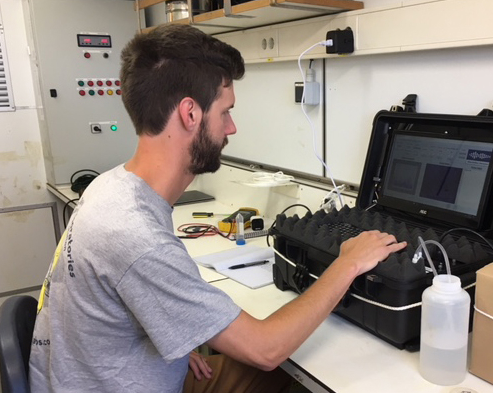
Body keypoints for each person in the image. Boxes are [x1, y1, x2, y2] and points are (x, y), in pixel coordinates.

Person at [29, 24, 407, 393]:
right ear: (190, 114)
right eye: (225, 112)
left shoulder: (109, 187)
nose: (232, 128)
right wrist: (348, 263)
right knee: (290, 368)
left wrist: (177, 337)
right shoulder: (135, 236)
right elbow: (265, 349)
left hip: (104, 374)